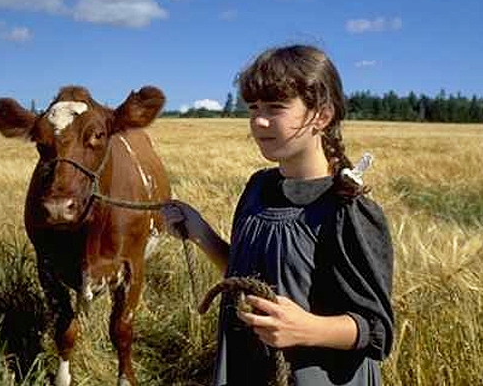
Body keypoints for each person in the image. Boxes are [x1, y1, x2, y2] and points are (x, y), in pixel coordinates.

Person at [162, 44, 394, 385]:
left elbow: (376, 331)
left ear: (322, 116)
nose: (259, 120)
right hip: (249, 368)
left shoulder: (347, 209)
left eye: (276, 107)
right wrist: (201, 234)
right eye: (253, 107)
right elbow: (250, 278)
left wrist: (306, 329)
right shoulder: (258, 188)